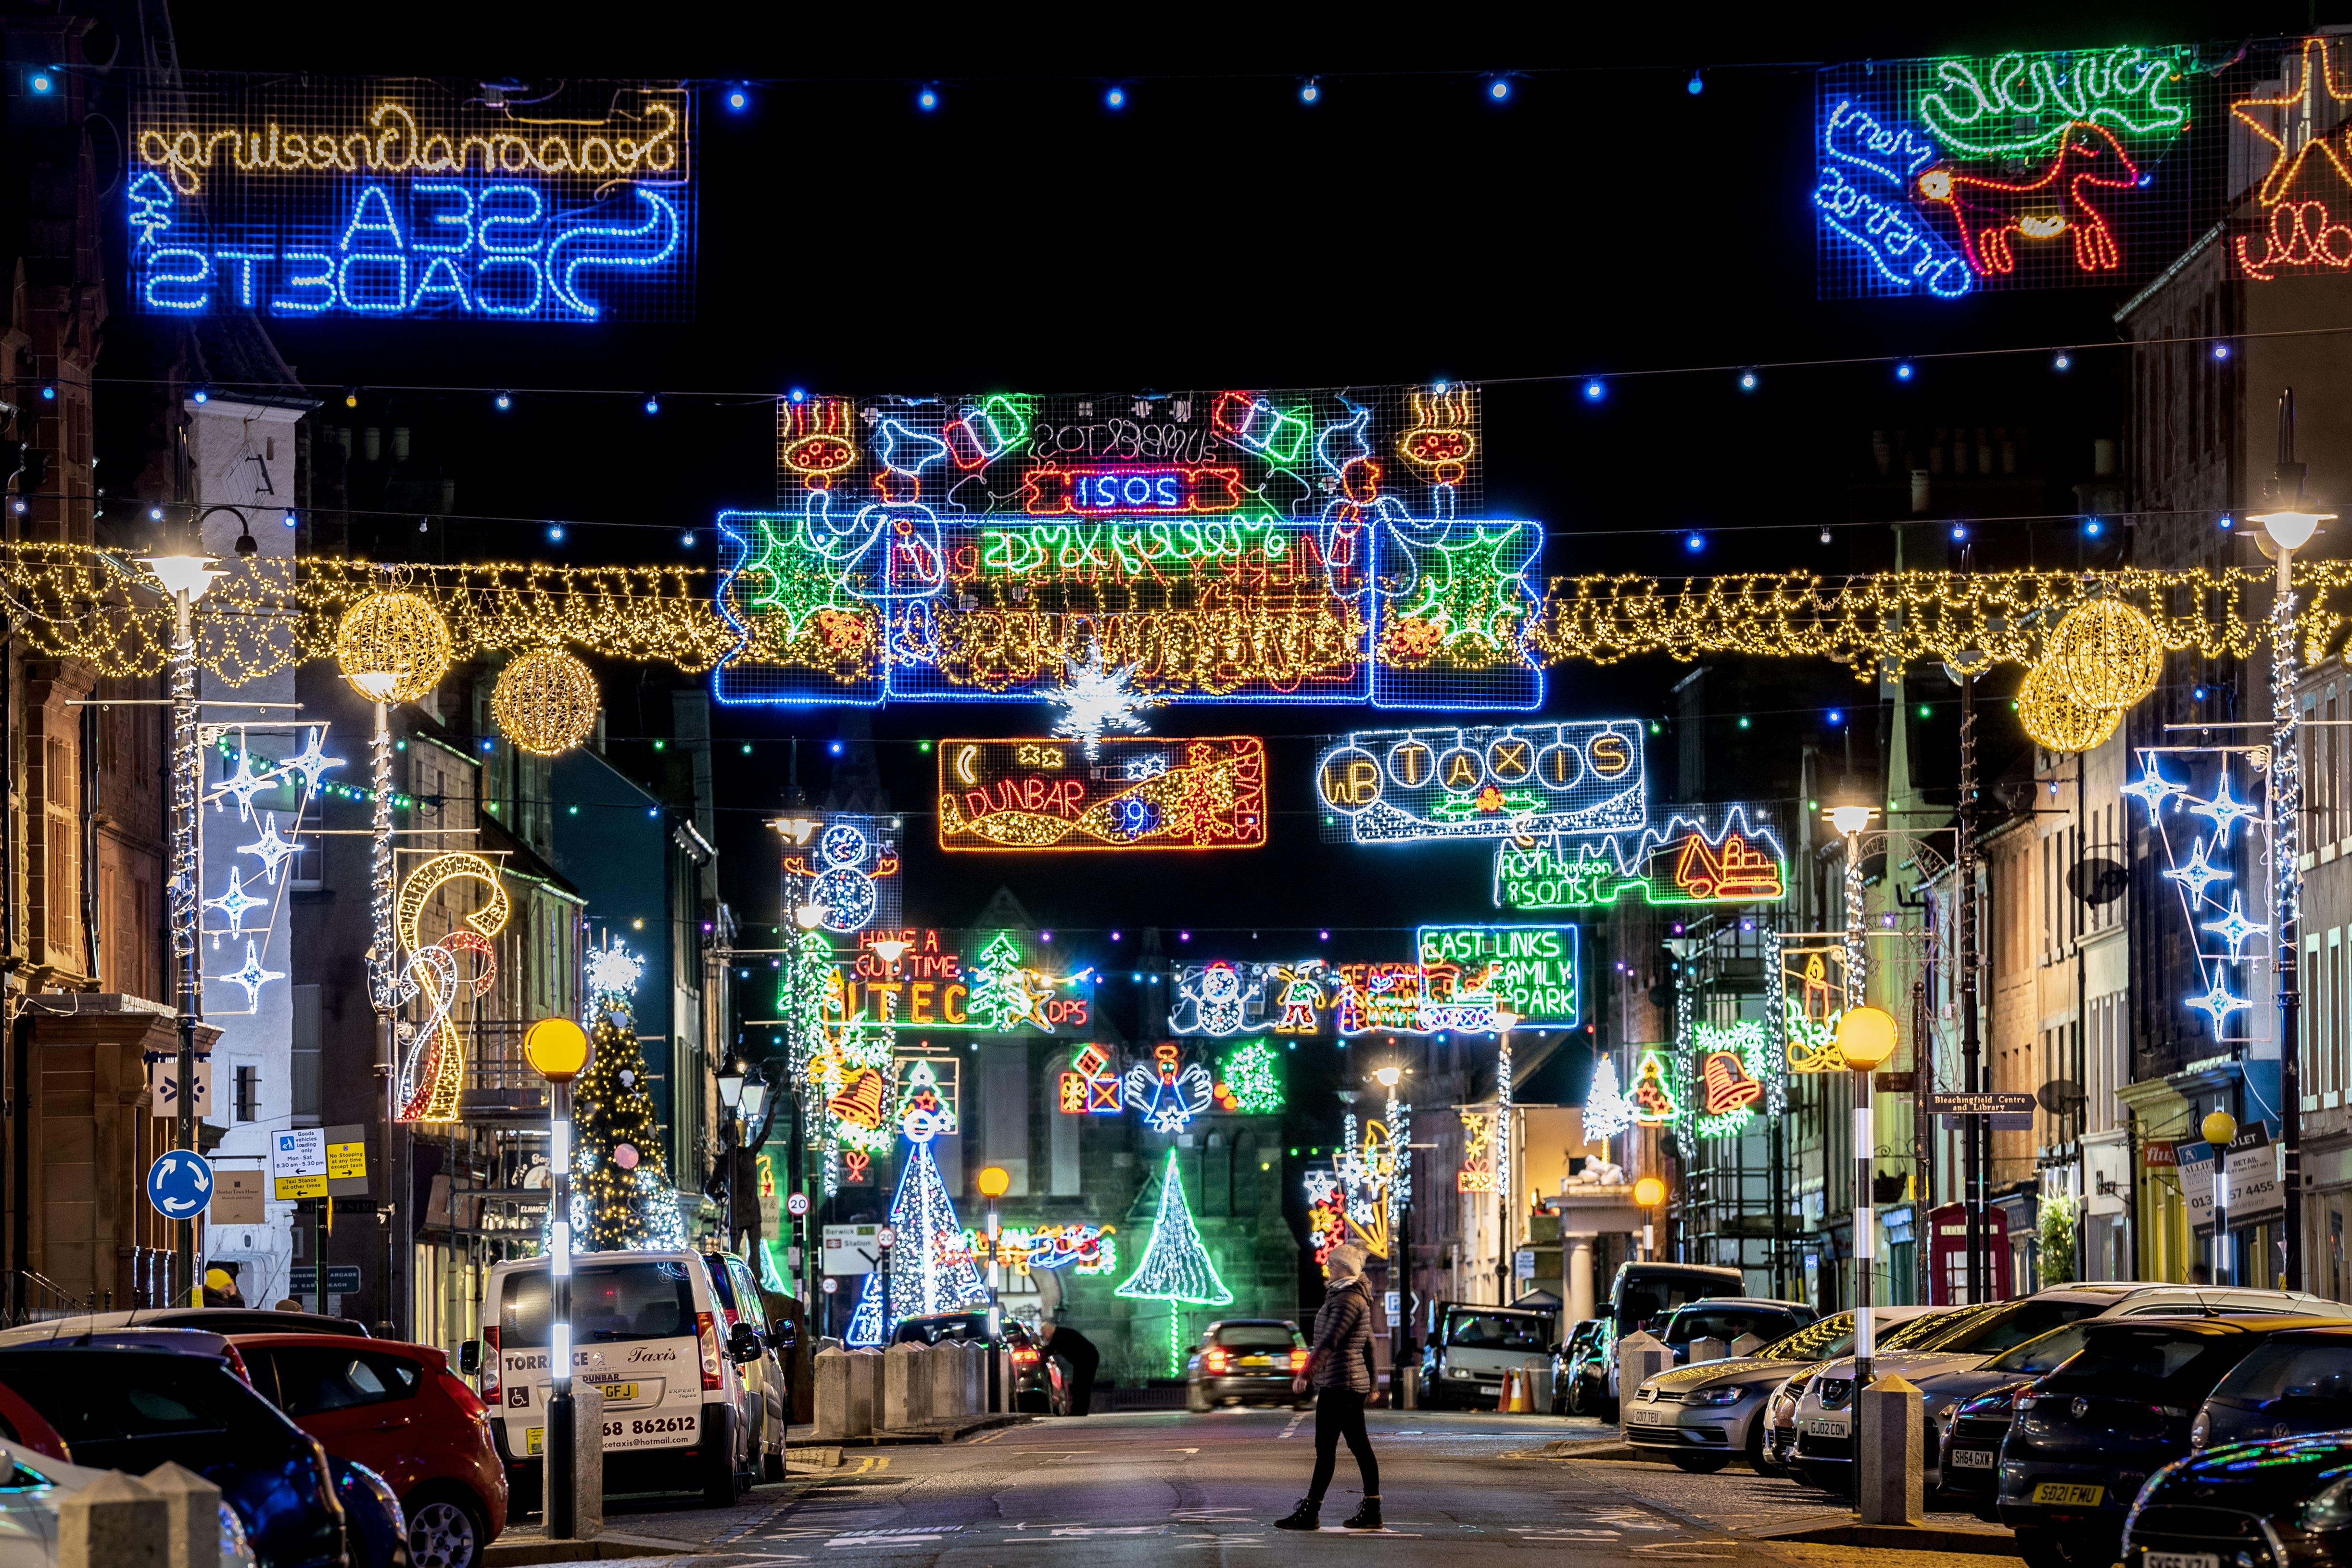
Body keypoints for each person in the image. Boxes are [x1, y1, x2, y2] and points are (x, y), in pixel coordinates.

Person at [1277, 1243, 1382, 1532]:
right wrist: (1372, 1383)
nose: (1329, 1268)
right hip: (1347, 1382)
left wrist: (1306, 1373)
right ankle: (1372, 1510)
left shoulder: (1347, 1300)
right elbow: (1370, 1343)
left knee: (1327, 1449)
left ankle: (1310, 1513)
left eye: (1333, 1264)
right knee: (1359, 1447)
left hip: (1340, 1383)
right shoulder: (1348, 1295)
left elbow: (1330, 1340)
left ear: (1346, 1268)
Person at [1044, 1321, 1099, 1416]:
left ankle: (1079, 1410)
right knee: (1081, 1384)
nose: (1045, 1337)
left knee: (1082, 1384)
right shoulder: (1061, 1333)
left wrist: (1040, 1348)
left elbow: (1049, 1350)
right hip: (1085, 1359)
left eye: (1044, 1334)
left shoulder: (1058, 1335)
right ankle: (1080, 1410)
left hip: (1087, 1359)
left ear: (1049, 1331)